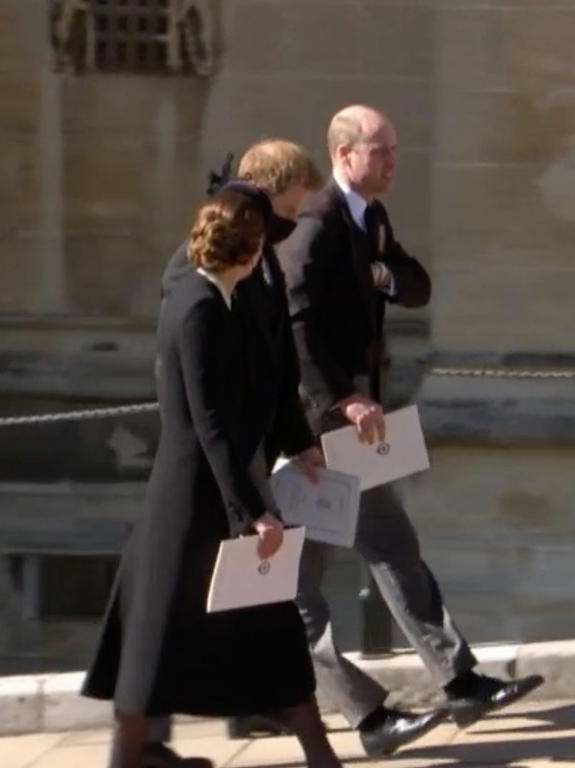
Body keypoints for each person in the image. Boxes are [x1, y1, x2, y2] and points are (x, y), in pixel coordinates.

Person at [277, 105, 545, 758]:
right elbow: (296, 326)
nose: (393, 162)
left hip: (356, 424)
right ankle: (368, 712)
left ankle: (455, 681)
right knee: (291, 589)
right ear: (343, 155)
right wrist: (340, 399)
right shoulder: (316, 227)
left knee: (390, 545)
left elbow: (415, 283)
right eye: (381, 151)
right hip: (317, 431)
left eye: (395, 150)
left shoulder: (373, 220)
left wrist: (383, 274)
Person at [82, 189, 343, 768]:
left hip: (216, 492)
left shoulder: (217, 298)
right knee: (155, 639)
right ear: (249, 252)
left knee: (266, 629)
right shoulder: (198, 306)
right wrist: (255, 510)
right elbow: (211, 423)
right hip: (190, 501)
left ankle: (318, 755)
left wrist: (293, 451)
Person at [144, 141, 328, 757]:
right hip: (205, 481)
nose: (292, 226)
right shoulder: (196, 280)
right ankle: (144, 742)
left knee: (256, 613)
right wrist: (251, 504)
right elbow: (207, 406)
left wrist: (298, 439)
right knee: (171, 614)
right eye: (291, 211)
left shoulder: (263, 264)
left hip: (243, 467)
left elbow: (275, 367)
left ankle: (292, 729)